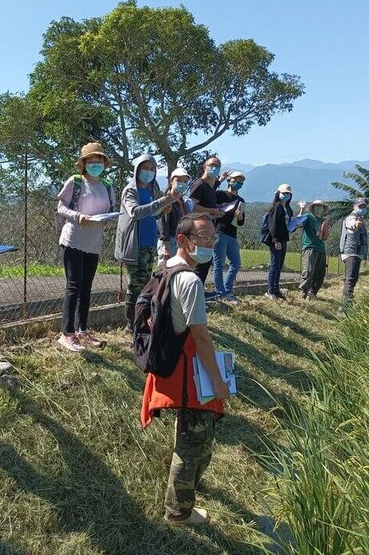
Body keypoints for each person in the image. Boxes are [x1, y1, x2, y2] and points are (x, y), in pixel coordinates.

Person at [140, 213, 230, 525]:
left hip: (171, 366)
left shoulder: (166, 267)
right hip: (188, 376)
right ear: (183, 240)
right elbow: (201, 337)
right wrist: (219, 382)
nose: (209, 244)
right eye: (202, 238)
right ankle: (178, 513)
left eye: (212, 239)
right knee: (192, 444)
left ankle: (183, 502)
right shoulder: (190, 280)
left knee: (191, 440)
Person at [56, 142, 114, 352]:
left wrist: (108, 217)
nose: (96, 164)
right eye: (91, 161)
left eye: (99, 161)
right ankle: (67, 333)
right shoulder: (76, 181)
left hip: (94, 243)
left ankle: (82, 329)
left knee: (87, 289)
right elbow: (61, 206)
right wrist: (77, 215)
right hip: (73, 240)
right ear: (83, 164)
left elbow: (111, 209)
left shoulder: (107, 186)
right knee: (74, 286)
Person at [115, 154, 174, 331]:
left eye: (152, 169)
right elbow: (135, 212)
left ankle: (141, 320)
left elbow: (152, 214)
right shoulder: (130, 191)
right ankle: (131, 325)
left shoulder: (149, 191)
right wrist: (161, 201)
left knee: (146, 285)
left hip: (148, 244)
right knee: (135, 285)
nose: (148, 172)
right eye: (145, 168)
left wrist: (162, 210)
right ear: (137, 169)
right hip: (135, 246)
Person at [187, 155, 227, 296]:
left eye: (218, 166)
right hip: (197, 231)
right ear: (205, 167)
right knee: (198, 264)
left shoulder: (210, 187)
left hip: (208, 230)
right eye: (212, 165)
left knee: (205, 263)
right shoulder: (199, 185)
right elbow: (191, 206)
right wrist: (212, 211)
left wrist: (217, 211)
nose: (215, 168)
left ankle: (199, 292)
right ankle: (194, 294)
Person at [213, 171, 246, 302]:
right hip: (219, 232)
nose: (238, 183)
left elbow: (241, 223)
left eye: (241, 182)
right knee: (218, 264)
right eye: (236, 180)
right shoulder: (220, 195)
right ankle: (220, 293)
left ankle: (228, 290)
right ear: (229, 180)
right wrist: (219, 180)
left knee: (236, 263)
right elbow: (210, 193)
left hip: (232, 234)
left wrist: (240, 217)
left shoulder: (240, 200)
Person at [263, 183, 294, 300]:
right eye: (284, 193)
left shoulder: (287, 208)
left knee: (279, 266)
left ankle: (276, 290)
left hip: (283, 239)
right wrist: (276, 240)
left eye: (288, 194)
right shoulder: (277, 207)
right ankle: (270, 290)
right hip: (276, 240)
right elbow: (273, 225)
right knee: (275, 265)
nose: (286, 195)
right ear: (278, 194)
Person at [157, 168, 193, 264]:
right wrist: (165, 244)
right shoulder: (167, 199)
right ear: (171, 181)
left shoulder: (182, 201)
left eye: (185, 181)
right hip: (169, 241)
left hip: (179, 240)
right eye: (179, 180)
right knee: (165, 270)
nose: (182, 183)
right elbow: (162, 223)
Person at [296, 199, 329, 300]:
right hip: (310, 247)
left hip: (321, 249)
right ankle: (303, 292)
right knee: (308, 271)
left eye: (321, 206)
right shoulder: (308, 217)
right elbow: (298, 223)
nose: (319, 208)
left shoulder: (323, 221)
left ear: (323, 209)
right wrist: (302, 209)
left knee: (319, 273)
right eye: (317, 206)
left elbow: (325, 237)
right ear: (313, 208)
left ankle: (313, 293)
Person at [339, 197, 369, 308]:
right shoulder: (352, 217)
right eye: (360, 206)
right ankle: (345, 306)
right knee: (350, 279)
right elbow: (352, 225)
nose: (362, 208)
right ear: (354, 206)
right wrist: (356, 224)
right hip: (351, 252)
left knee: (353, 278)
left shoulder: (359, 217)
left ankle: (348, 302)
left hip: (357, 253)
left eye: (364, 206)